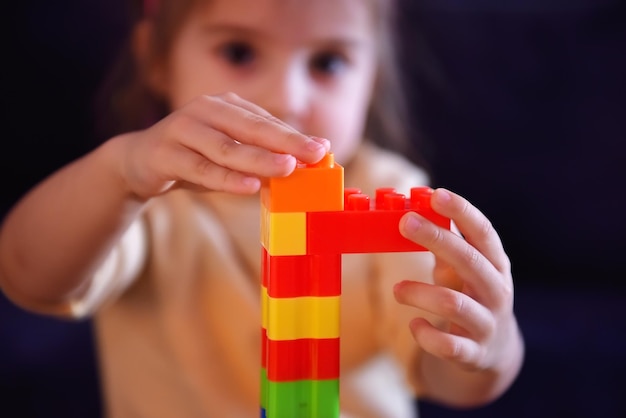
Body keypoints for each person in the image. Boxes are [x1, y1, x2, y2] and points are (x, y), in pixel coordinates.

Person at [0, 0, 524, 417]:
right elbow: (26, 274)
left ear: (373, 79)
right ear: (156, 60)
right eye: (239, 52)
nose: (286, 98)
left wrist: (486, 349)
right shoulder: (142, 199)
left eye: (328, 62)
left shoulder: (391, 191)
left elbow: (443, 378)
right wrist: (120, 171)